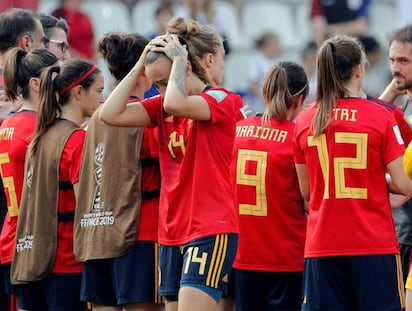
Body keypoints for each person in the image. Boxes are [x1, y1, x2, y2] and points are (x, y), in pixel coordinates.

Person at [99, 17, 243, 311]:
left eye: (164, 83)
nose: (160, 92)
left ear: (185, 68)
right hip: (171, 230)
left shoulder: (221, 99)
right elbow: (109, 115)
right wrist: (141, 65)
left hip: (209, 229)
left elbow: (176, 103)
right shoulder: (163, 106)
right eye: (156, 85)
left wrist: (177, 62)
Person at [294, 34, 412, 310]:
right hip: (373, 244)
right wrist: (378, 182)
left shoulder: (304, 119)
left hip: (322, 245)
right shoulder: (380, 116)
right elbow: (404, 185)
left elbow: (308, 192)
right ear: (359, 69)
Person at [74, 32, 162, 311]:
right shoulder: (146, 119)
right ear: (145, 70)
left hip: (96, 233)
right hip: (140, 233)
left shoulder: (92, 122)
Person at [10, 59, 104, 310]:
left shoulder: (41, 135)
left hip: (34, 260)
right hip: (68, 263)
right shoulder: (77, 140)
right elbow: (87, 208)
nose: (102, 99)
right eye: (99, 91)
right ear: (78, 92)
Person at [231, 61, 308, 310]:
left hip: (243, 253)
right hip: (287, 255)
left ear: (264, 93)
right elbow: (309, 197)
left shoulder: (237, 130)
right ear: (299, 100)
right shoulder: (296, 136)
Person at [0, 47, 58, 311]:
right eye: (56, 76)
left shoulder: (8, 123)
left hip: (13, 239)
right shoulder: (35, 126)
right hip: (34, 242)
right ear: (36, 84)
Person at [381, 24, 412, 311]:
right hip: (402, 228)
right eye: (392, 60)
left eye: (403, 61)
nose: (395, 68)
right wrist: (398, 81)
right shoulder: (404, 104)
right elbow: (369, 118)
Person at [246, 32, 282, 114]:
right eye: (276, 44)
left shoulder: (278, 61)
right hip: (260, 101)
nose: (279, 47)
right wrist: (266, 101)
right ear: (268, 45)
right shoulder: (256, 61)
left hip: (275, 101)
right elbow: (253, 85)